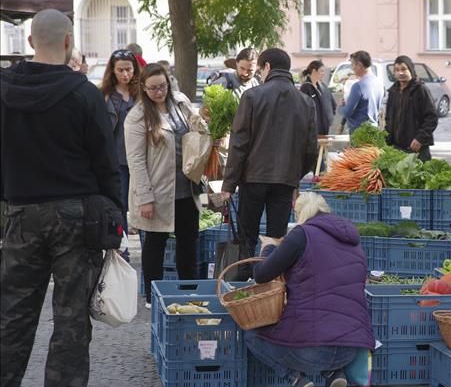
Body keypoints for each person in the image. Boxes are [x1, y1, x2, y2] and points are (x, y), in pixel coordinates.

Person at [1, 9, 121, 387]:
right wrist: (115, 211)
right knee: (70, 317)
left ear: (31, 41)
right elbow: (106, 161)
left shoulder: (4, 90)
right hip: (75, 215)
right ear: (69, 42)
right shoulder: (83, 94)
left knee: (13, 312)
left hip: (20, 212)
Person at [245, 192, 375, 387]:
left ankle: (296, 379)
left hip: (313, 351)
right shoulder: (352, 238)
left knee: (251, 334)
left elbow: (261, 274)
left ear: (299, 214)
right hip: (350, 349)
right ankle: (334, 374)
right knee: (325, 320)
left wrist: (268, 247)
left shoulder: (301, 235)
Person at [221, 48, 317, 262]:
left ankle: (243, 279)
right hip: (285, 180)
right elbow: (311, 148)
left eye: (260, 70)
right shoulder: (305, 102)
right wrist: (295, 176)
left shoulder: (252, 96)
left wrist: (229, 184)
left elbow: (239, 144)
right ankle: (272, 280)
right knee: (276, 239)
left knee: (246, 236)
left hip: (253, 177)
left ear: (267, 67)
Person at [125, 63, 204, 307]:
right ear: (143, 88)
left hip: (187, 187)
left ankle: (189, 292)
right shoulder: (137, 116)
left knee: (188, 242)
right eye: (153, 88)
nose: (159, 92)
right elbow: (136, 160)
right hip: (157, 190)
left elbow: (197, 131)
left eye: (162, 86)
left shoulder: (180, 102)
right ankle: (152, 296)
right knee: (155, 244)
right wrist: (144, 197)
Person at [100, 48, 140, 254]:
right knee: (120, 206)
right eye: (121, 70)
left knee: (143, 206)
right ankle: (122, 252)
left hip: (140, 158)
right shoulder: (105, 95)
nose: (125, 74)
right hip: (117, 159)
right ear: (113, 71)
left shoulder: (141, 93)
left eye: (129, 69)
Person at [384, 55, 439, 162]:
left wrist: (420, 138)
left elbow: (432, 117)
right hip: (396, 148)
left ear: (411, 70)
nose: (400, 73)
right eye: (397, 70)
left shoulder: (420, 90)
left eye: (404, 69)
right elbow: (389, 119)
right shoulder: (393, 91)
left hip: (416, 148)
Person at [340, 50, 384, 133]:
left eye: (352, 65)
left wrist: (341, 106)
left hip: (359, 132)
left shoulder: (358, 86)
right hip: (374, 129)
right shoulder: (379, 83)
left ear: (359, 65)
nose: (352, 68)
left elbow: (347, 113)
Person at [300, 60, 337, 136]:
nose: (323, 73)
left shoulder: (322, 86)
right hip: (313, 129)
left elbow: (332, 103)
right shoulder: (305, 87)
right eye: (321, 71)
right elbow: (303, 109)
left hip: (324, 127)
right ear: (314, 71)